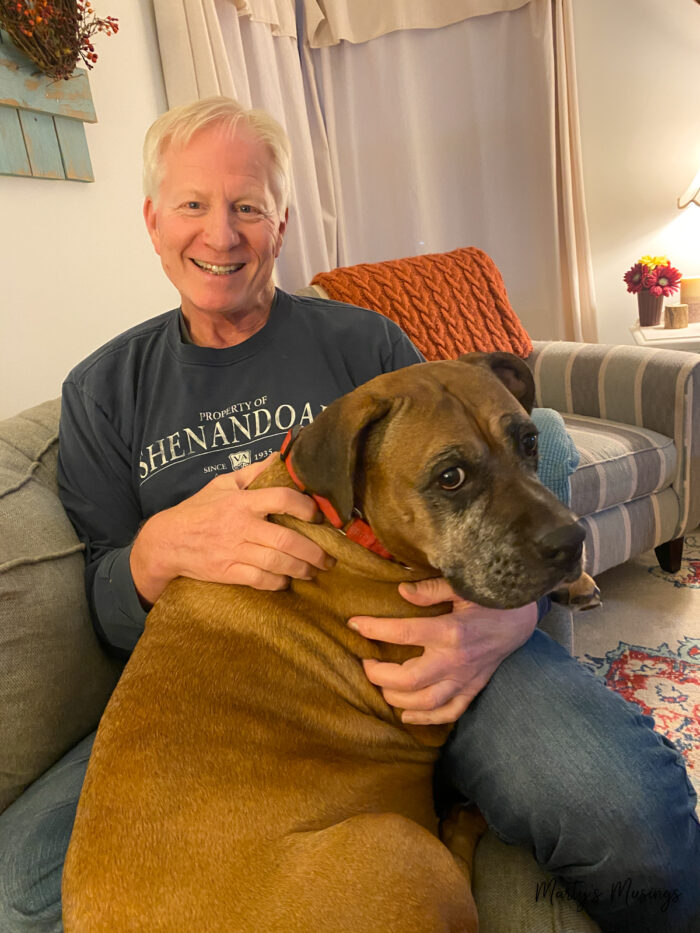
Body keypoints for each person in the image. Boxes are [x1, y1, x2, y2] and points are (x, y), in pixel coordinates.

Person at [0, 97, 697, 933]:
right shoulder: (105, 389)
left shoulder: (364, 345)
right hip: (233, 707)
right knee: (20, 891)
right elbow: (103, 608)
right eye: (192, 205)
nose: (220, 235)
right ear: (152, 221)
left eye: (247, 206)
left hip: (443, 639)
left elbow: (488, 462)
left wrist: (511, 616)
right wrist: (155, 550)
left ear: (282, 222)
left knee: (626, 811)